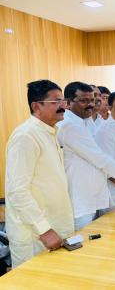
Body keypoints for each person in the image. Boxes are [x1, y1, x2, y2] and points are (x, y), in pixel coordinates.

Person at [58, 82, 115, 230]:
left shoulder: (87, 122)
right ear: (68, 103)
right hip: (81, 198)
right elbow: (101, 160)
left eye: (92, 100)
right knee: (87, 243)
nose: (90, 104)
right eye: (83, 101)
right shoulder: (70, 126)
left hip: (95, 196)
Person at [5, 80, 74, 267]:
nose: (63, 106)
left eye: (63, 101)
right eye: (56, 102)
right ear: (36, 106)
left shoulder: (50, 132)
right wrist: (44, 230)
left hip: (55, 227)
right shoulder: (26, 136)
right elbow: (17, 191)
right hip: (35, 234)